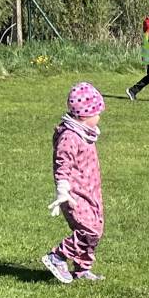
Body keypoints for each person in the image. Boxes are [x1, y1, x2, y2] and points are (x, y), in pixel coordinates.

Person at [42, 83, 108, 284]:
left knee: (96, 230)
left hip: (91, 192)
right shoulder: (70, 136)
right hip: (74, 195)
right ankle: (57, 256)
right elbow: (62, 163)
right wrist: (63, 190)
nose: (99, 117)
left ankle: (82, 269)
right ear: (85, 115)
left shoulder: (84, 133)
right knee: (89, 231)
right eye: (97, 113)